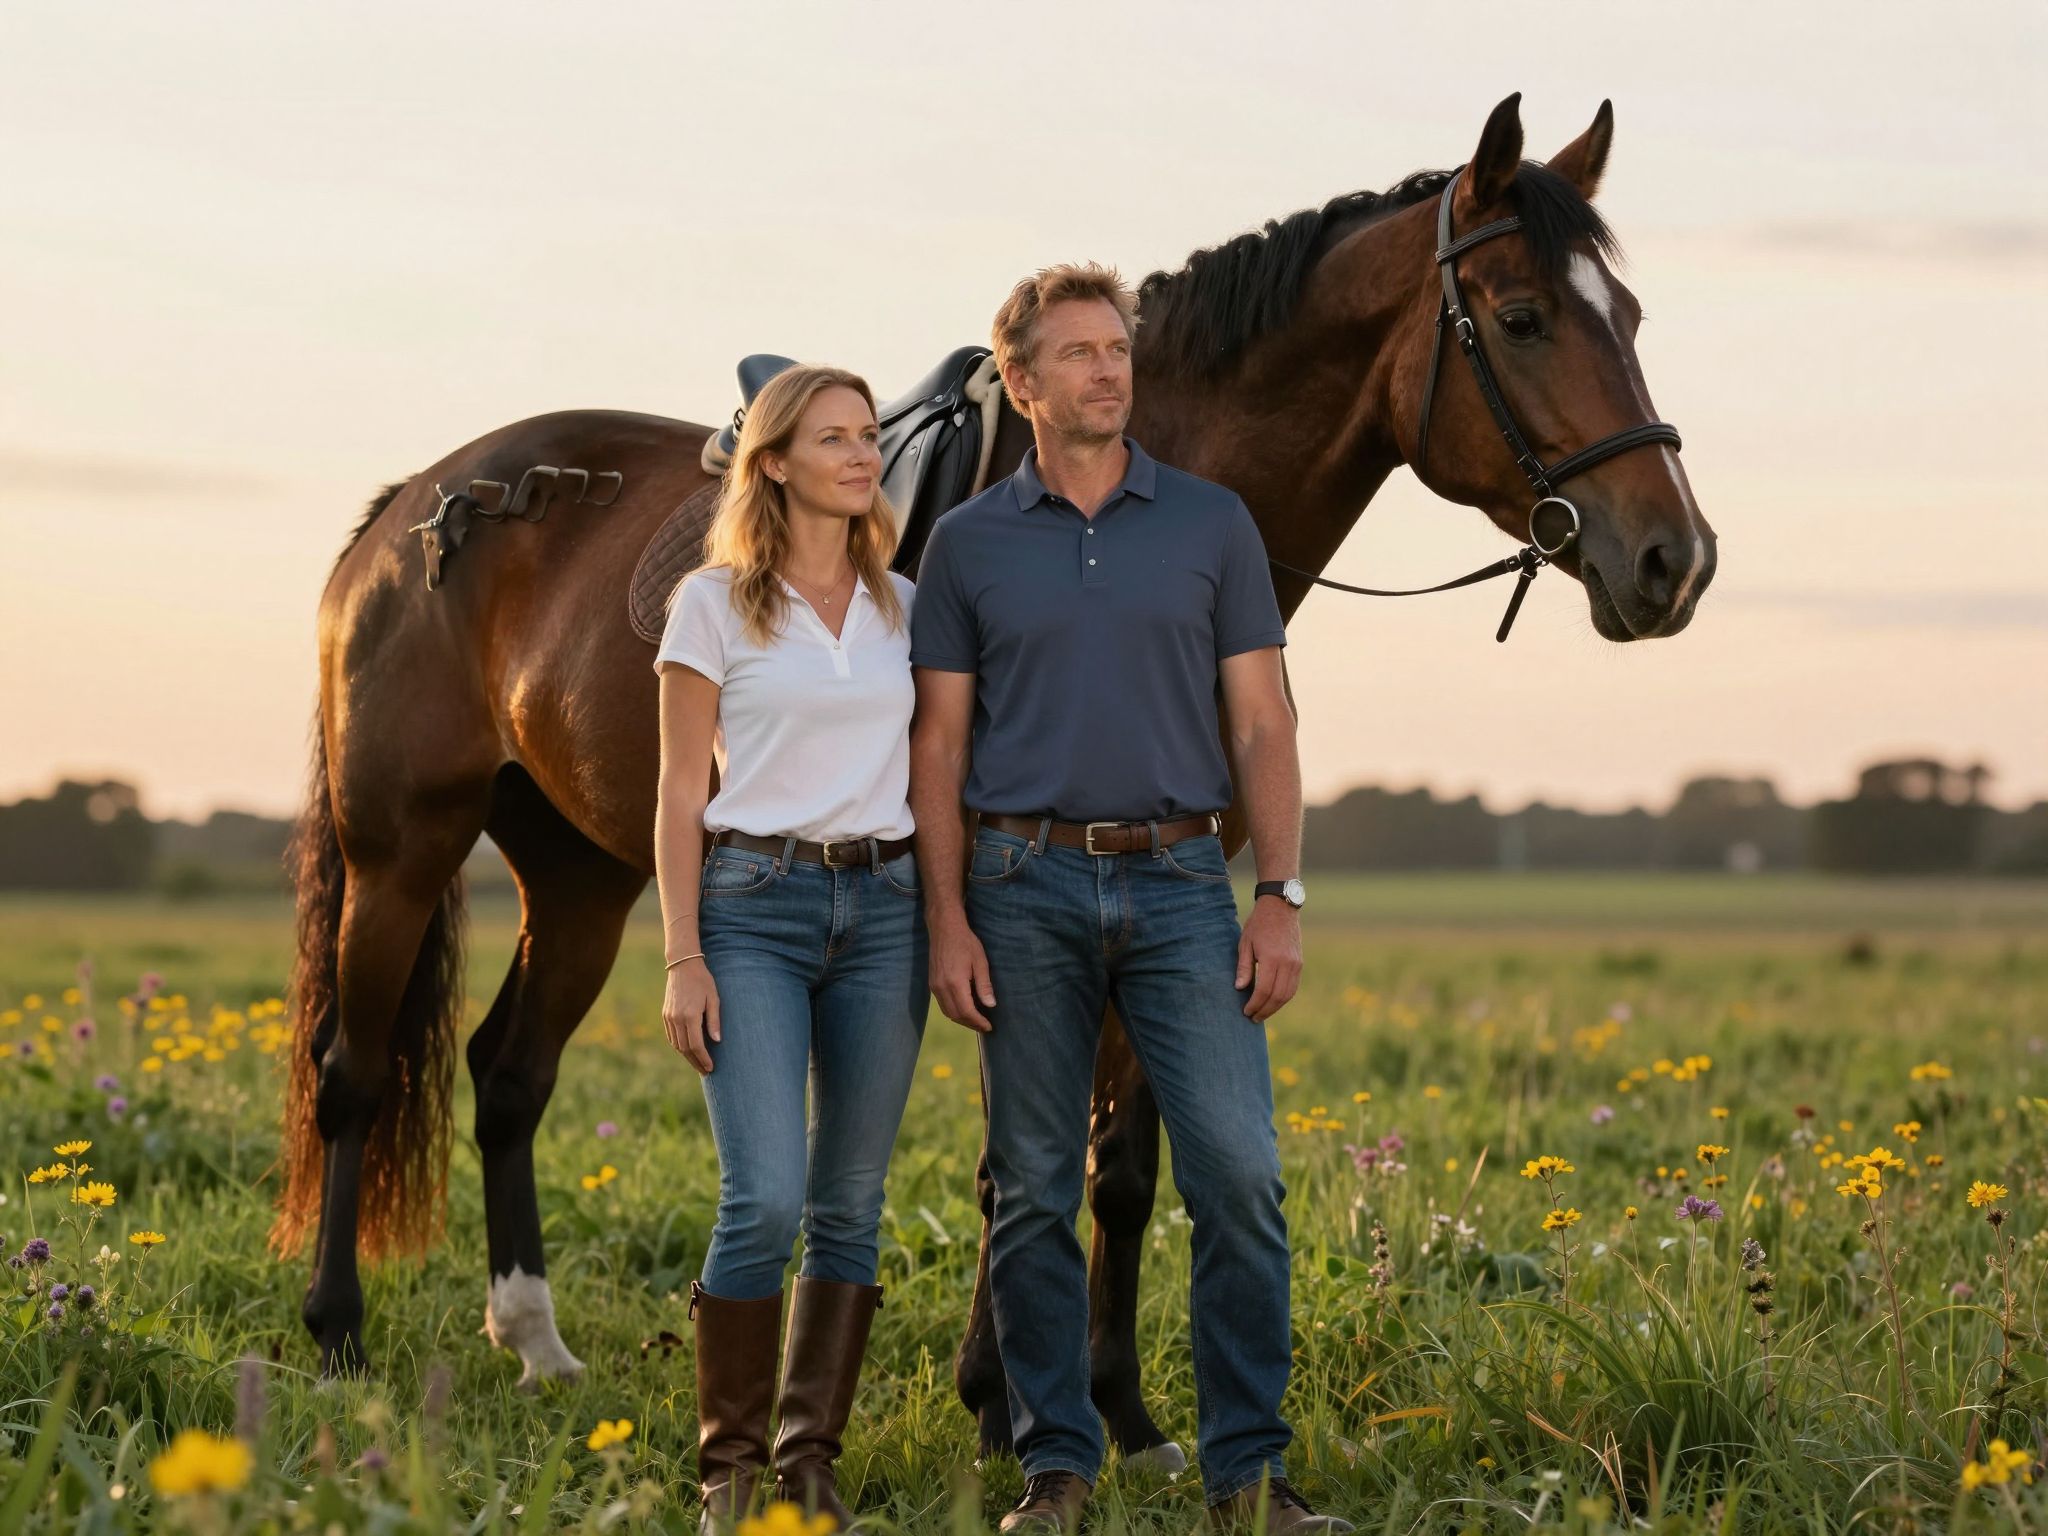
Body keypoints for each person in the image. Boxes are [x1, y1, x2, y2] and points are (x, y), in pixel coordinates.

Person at [908, 265, 1347, 1535]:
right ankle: (1057, 1467)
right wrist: (946, 920)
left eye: (1118, 349)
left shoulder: (1211, 526)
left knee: (1240, 1181)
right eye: (1079, 353)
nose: (1109, 370)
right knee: (1034, 1188)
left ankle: (1247, 1476)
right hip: (1019, 882)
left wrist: (1278, 893)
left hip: (1176, 886)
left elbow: (1262, 720)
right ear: (1021, 381)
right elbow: (936, 750)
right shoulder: (966, 542)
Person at [653, 364, 929, 1533]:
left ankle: (809, 1463)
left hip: (886, 913)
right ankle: (730, 1465)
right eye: (833, 439)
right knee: (762, 1198)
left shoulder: (904, 604)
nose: (863, 455)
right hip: (751, 905)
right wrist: (680, 955)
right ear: (772, 462)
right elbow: (675, 791)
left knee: (851, 1202)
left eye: (869, 437)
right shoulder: (711, 605)